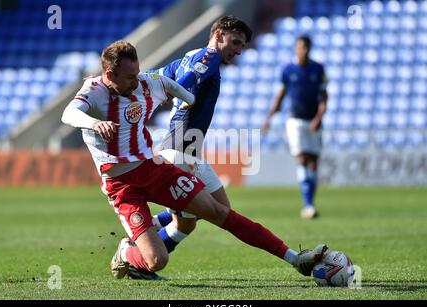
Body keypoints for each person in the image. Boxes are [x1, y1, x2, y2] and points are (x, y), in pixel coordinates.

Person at [61, 40, 328, 281]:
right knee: (156, 261)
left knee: (218, 211)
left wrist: (186, 99)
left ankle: (295, 258)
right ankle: (126, 253)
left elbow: (167, 84)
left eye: (137, 73)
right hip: (121, 185)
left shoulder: (144, 82)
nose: (136, 80)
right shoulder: (95, 90)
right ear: (109, 75)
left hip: (153, 169)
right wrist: (95, 124)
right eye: (129, 76)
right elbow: (69, 114)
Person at [147, 15, 252, 255]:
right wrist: (176, 91)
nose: (238, 51)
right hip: (179, 148)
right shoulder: (210, 56)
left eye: (242, 46)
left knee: (221, 208)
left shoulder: (187, 57)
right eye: (235, 42)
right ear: (218, 35)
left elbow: (153, 75)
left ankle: (148, 228)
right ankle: (139, 250)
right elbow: (190, 78)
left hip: (191, 150)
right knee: (188, 222)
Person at [263, 35, 328, 219]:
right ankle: (308, 204)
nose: (303, 50)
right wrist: (269, 118)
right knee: (302, 157)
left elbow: (324, 96)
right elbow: (281, 95)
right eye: (300, 47)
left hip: (314, 120)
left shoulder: (318, 69)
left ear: (310, 48)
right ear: (295, 49)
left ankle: (310, 202)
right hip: (294, 119)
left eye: (306, 47)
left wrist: (319, 117)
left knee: (313, 162)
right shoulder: (288, 70)